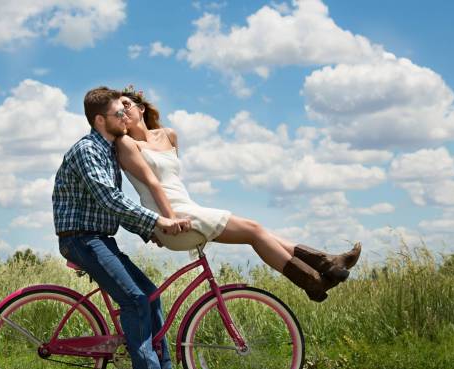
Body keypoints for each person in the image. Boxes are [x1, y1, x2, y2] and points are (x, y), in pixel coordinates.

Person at [116, 85, 361, 302]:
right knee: (254, 231)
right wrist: (161, 224)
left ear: (141, 108)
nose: (122, 112)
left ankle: (323, 268)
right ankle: (316, 275)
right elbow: (151, 185)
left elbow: (173, 181)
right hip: (171, 217)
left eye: (126, 105)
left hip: (186, 207)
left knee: (258, 231)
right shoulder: (127, 144)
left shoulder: (168, 135)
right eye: (117, 110)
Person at [52, 86, 194, 369]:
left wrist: (149, 231)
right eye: (119, 113)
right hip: (81, 239)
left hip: (100, 238)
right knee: (136, 302)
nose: (125, 118)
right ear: (101, 119)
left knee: (151, 296)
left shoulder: (108, 151)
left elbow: (112, 207)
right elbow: (110, 199)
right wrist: (158, 222)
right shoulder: (88, 150)